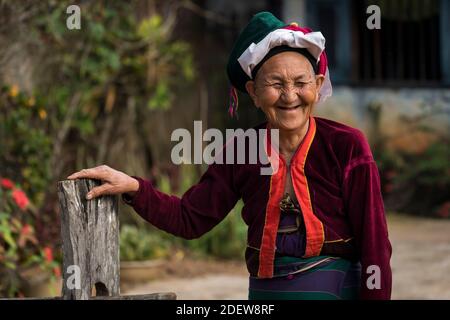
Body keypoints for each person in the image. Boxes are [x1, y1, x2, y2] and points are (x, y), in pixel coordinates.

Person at [68, 12, 392, 300]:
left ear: (318, 85)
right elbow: (190, 218)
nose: (290, 95)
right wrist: (135, 188)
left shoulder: (347, 145)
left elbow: (374, 243)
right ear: (253, 92)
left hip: (333, 288)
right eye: (276, 83)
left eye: (301, 82)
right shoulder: (241, 150)